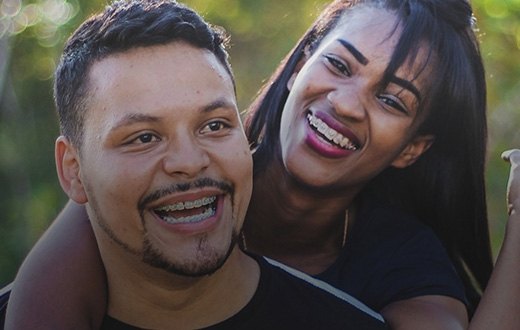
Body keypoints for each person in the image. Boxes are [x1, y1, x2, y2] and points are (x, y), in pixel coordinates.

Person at [3, 0, 518, 329]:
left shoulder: (402, 260)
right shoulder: (175, 172)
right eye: (339, 66)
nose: (345, 104)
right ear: (299, 66)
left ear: (412, 148)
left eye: (392, 100)